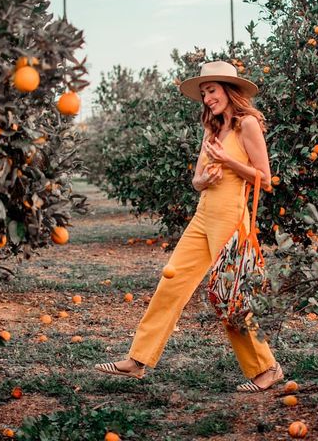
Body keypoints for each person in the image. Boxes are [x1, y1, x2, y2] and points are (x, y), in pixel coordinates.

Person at [95, 60, 284, 392]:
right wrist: (204, 177)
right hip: (203, 214)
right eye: (203, 93)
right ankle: (138, 359)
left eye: (211, 91)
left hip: (230, 217)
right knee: (172, 282)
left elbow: (265, 179)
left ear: (229, 90)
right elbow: (197, 180)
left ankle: (266, 367)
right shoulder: (211, 128)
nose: (207, 98)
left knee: (229, 297)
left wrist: (228, 162)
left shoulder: (248, 124)